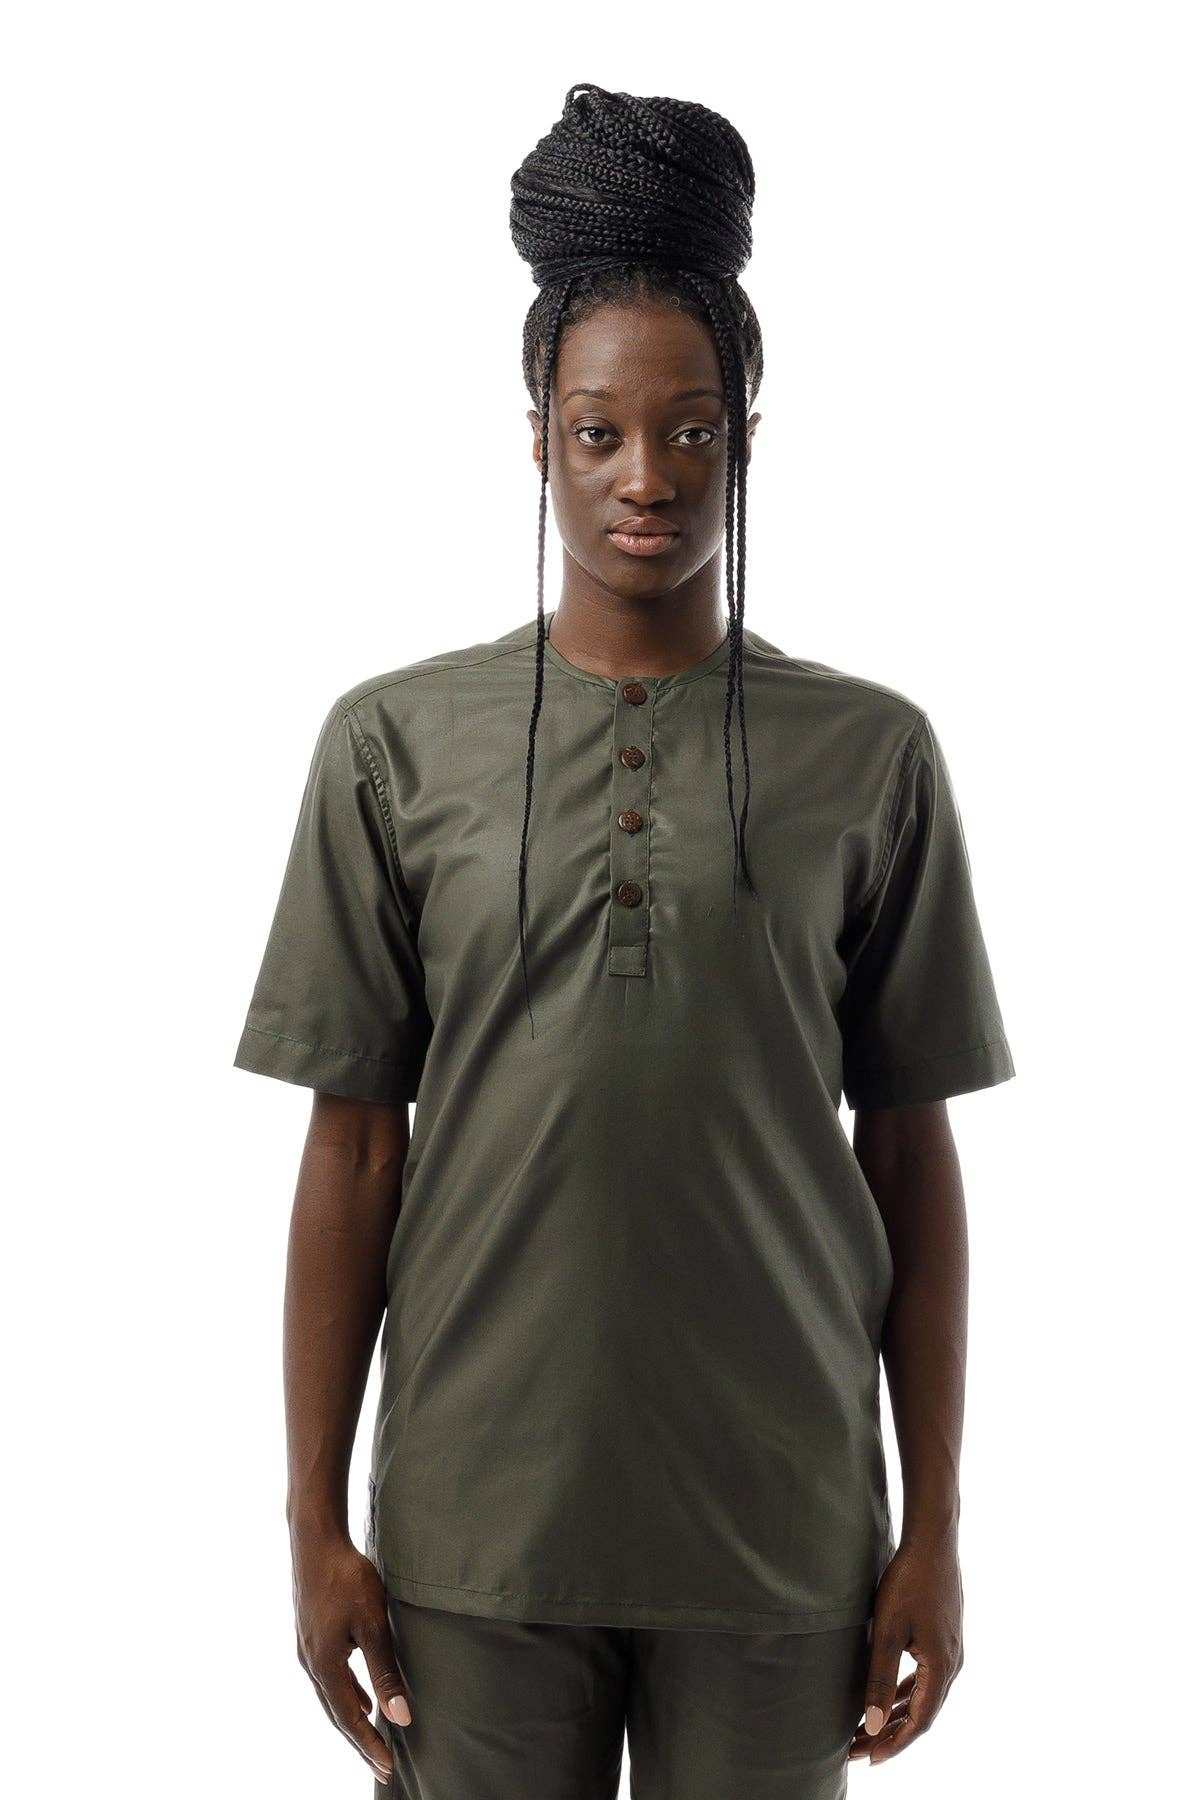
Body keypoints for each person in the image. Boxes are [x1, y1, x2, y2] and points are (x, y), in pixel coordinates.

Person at [233, 83, 1015, 1799]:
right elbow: (351, 1148)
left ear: (750, 437)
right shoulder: (392, 746)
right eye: (597, 433)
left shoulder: (871, 755)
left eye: (692, 430)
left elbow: (911, 1155)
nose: (645, 478)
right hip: (476, 1538)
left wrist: (936, 1528)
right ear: (537, 436)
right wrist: (312, 1525)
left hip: (781, 1537)